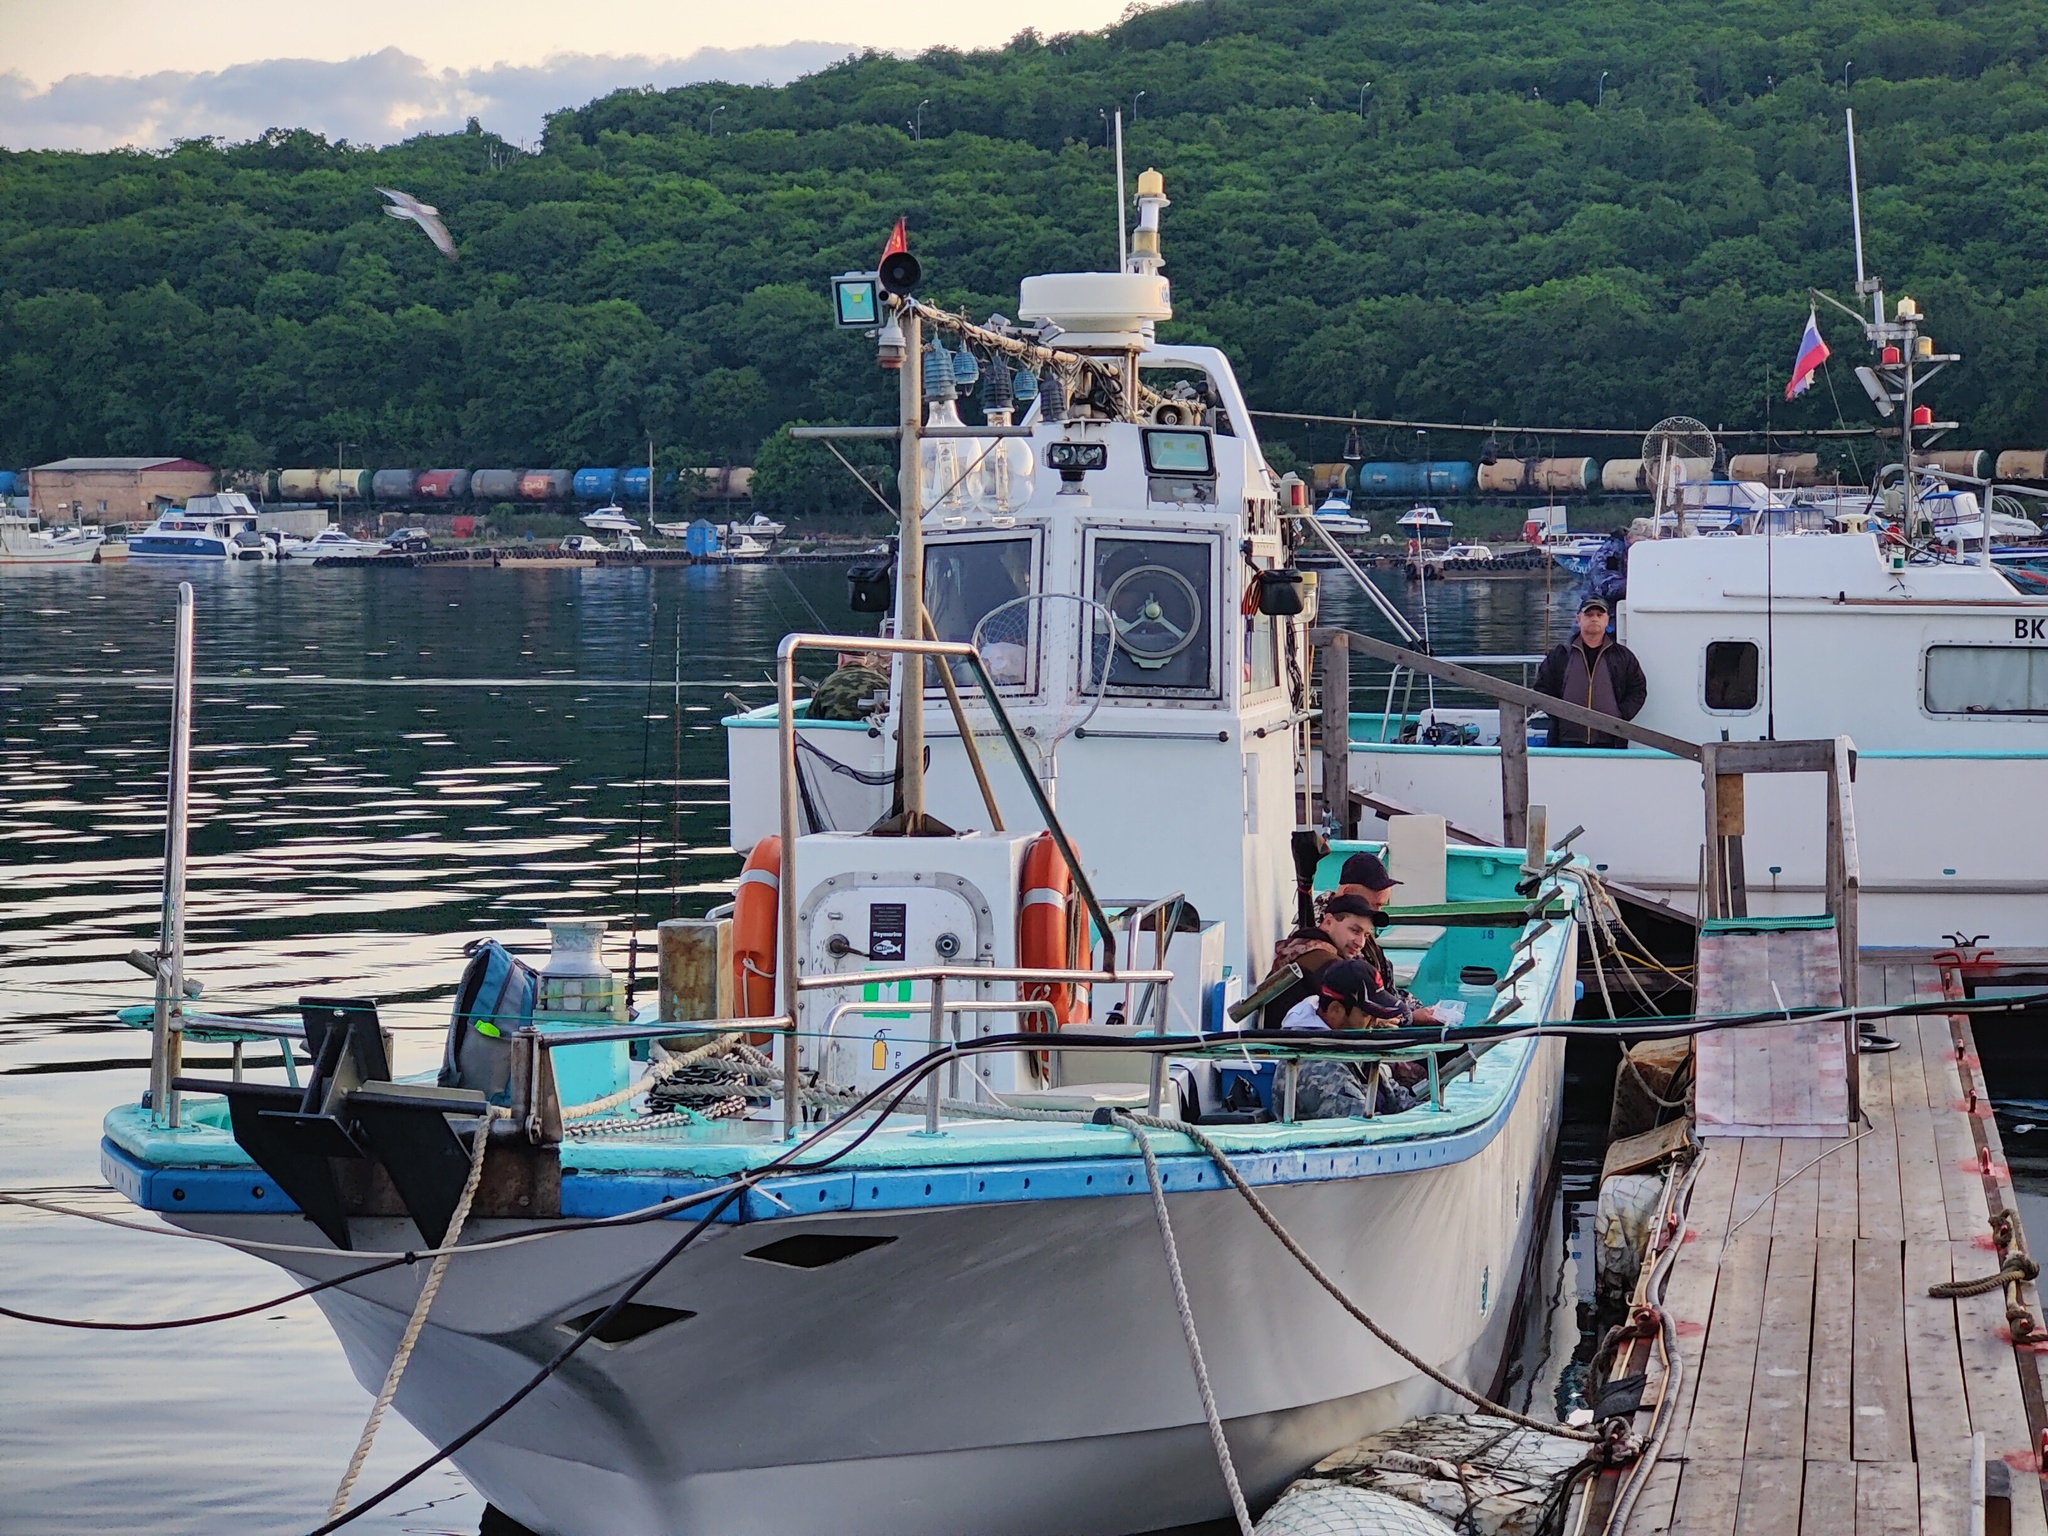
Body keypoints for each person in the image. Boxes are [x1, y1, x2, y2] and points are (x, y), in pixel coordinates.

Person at [1274, 958, 1424, 1118]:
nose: (1375, 1022)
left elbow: (1395, 1099)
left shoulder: (1349, 1045)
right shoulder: (1317, 1068)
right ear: (1335, 1011)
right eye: (1367, 1014)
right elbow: (1361, 1128)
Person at [1533, 596, 1647, 748]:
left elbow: (1638, 690)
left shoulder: (1623, 656)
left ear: (1607, 620)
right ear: (1578, 619)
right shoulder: (1560, 654)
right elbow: (1542, 688)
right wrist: (1559, 715)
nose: (1594, 619)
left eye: (1599, 615)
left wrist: (1620, 716)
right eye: (1589, 615)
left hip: (1611, 741)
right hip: (1565, 740)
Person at [1260, 891, 1376, 1028]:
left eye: (1366, 935)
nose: (1361, 943)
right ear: (1328, 922)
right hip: (1290, 1043)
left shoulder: (1301, 948)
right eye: (1355, 931)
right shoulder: (1324, 962)